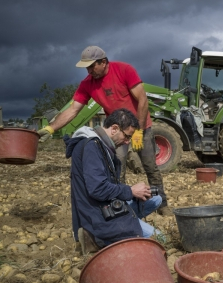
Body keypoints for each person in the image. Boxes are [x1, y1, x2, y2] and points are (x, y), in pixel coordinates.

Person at [37, 45, 172, 216]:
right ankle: (123, 208)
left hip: (140, 128)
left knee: (150, 167)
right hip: (117, 132)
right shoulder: (87, 84)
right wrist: (51, 127)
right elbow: (73, 110)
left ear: (103, 62)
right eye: (86, 67)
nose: (89, 70)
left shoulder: (124, 70)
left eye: (92, 66)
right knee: (117, 168)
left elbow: (142, 99)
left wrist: (137, 130)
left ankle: (163, 205)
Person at [63, 108, 164, 255]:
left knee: (156, 199)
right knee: (160, 238)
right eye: (127, 136)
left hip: (106, 205)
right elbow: (97, 189)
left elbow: (106, 184)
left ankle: (128, 224)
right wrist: (130, 191)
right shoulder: (92, 147)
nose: (127, 142)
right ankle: (96, 238)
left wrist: (133, 192)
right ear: (115, 128)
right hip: (96, 216)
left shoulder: (102, 146)